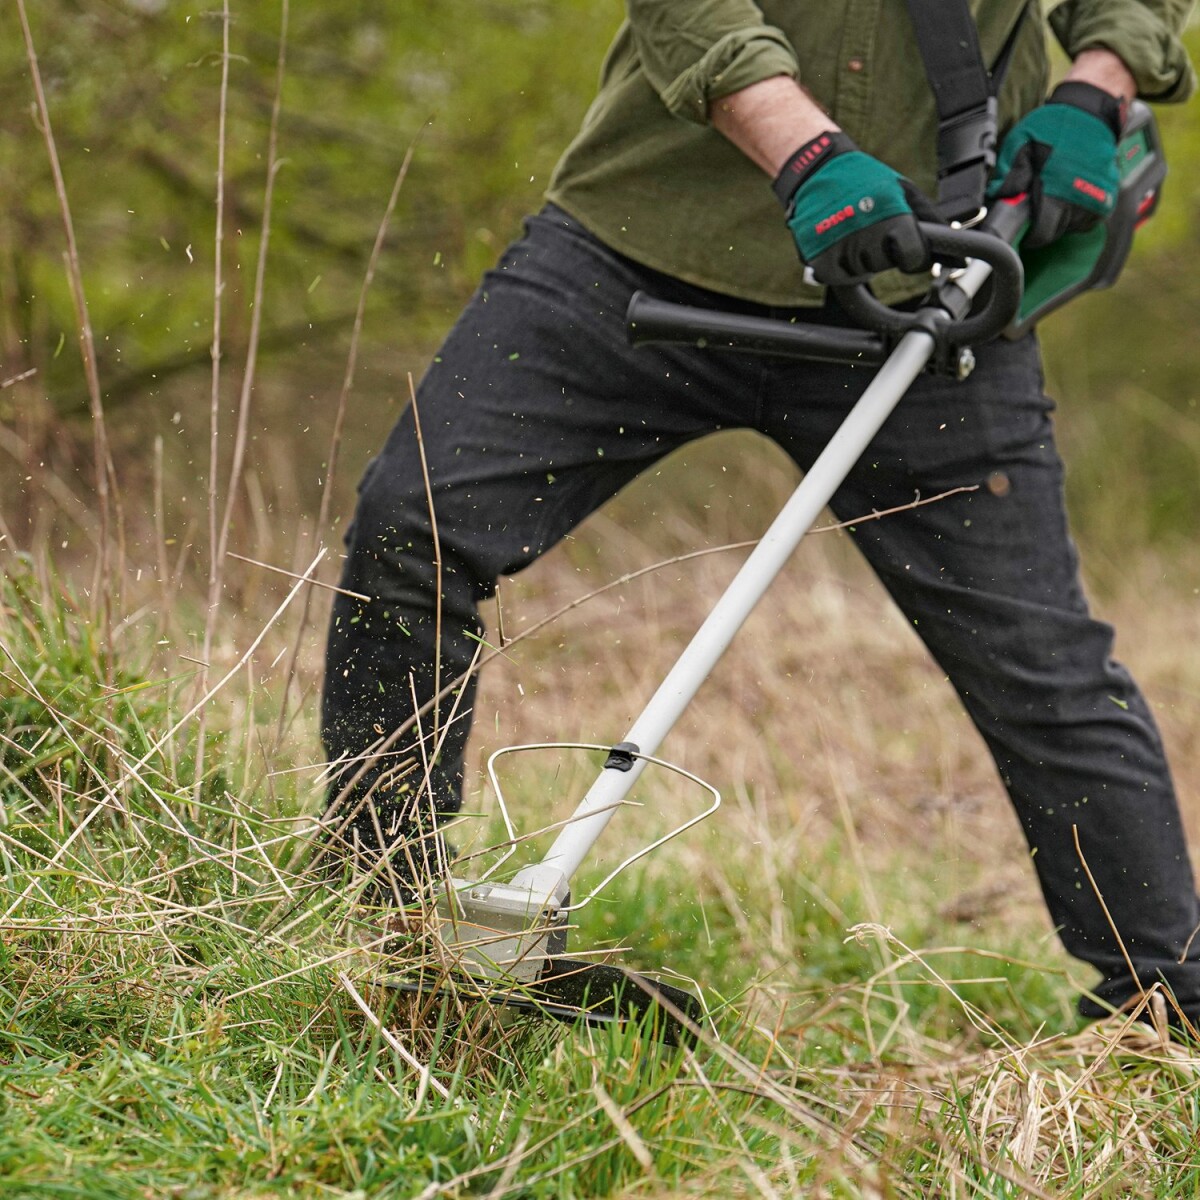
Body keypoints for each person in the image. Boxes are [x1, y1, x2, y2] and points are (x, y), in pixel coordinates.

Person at [321, 1, 1200, 1028]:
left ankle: (1166, 1021)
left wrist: (1097, 87)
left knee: (1042, 669)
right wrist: (806, 150)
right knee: (411, 525)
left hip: (936, 277)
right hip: (647, 243)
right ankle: (381, 918)